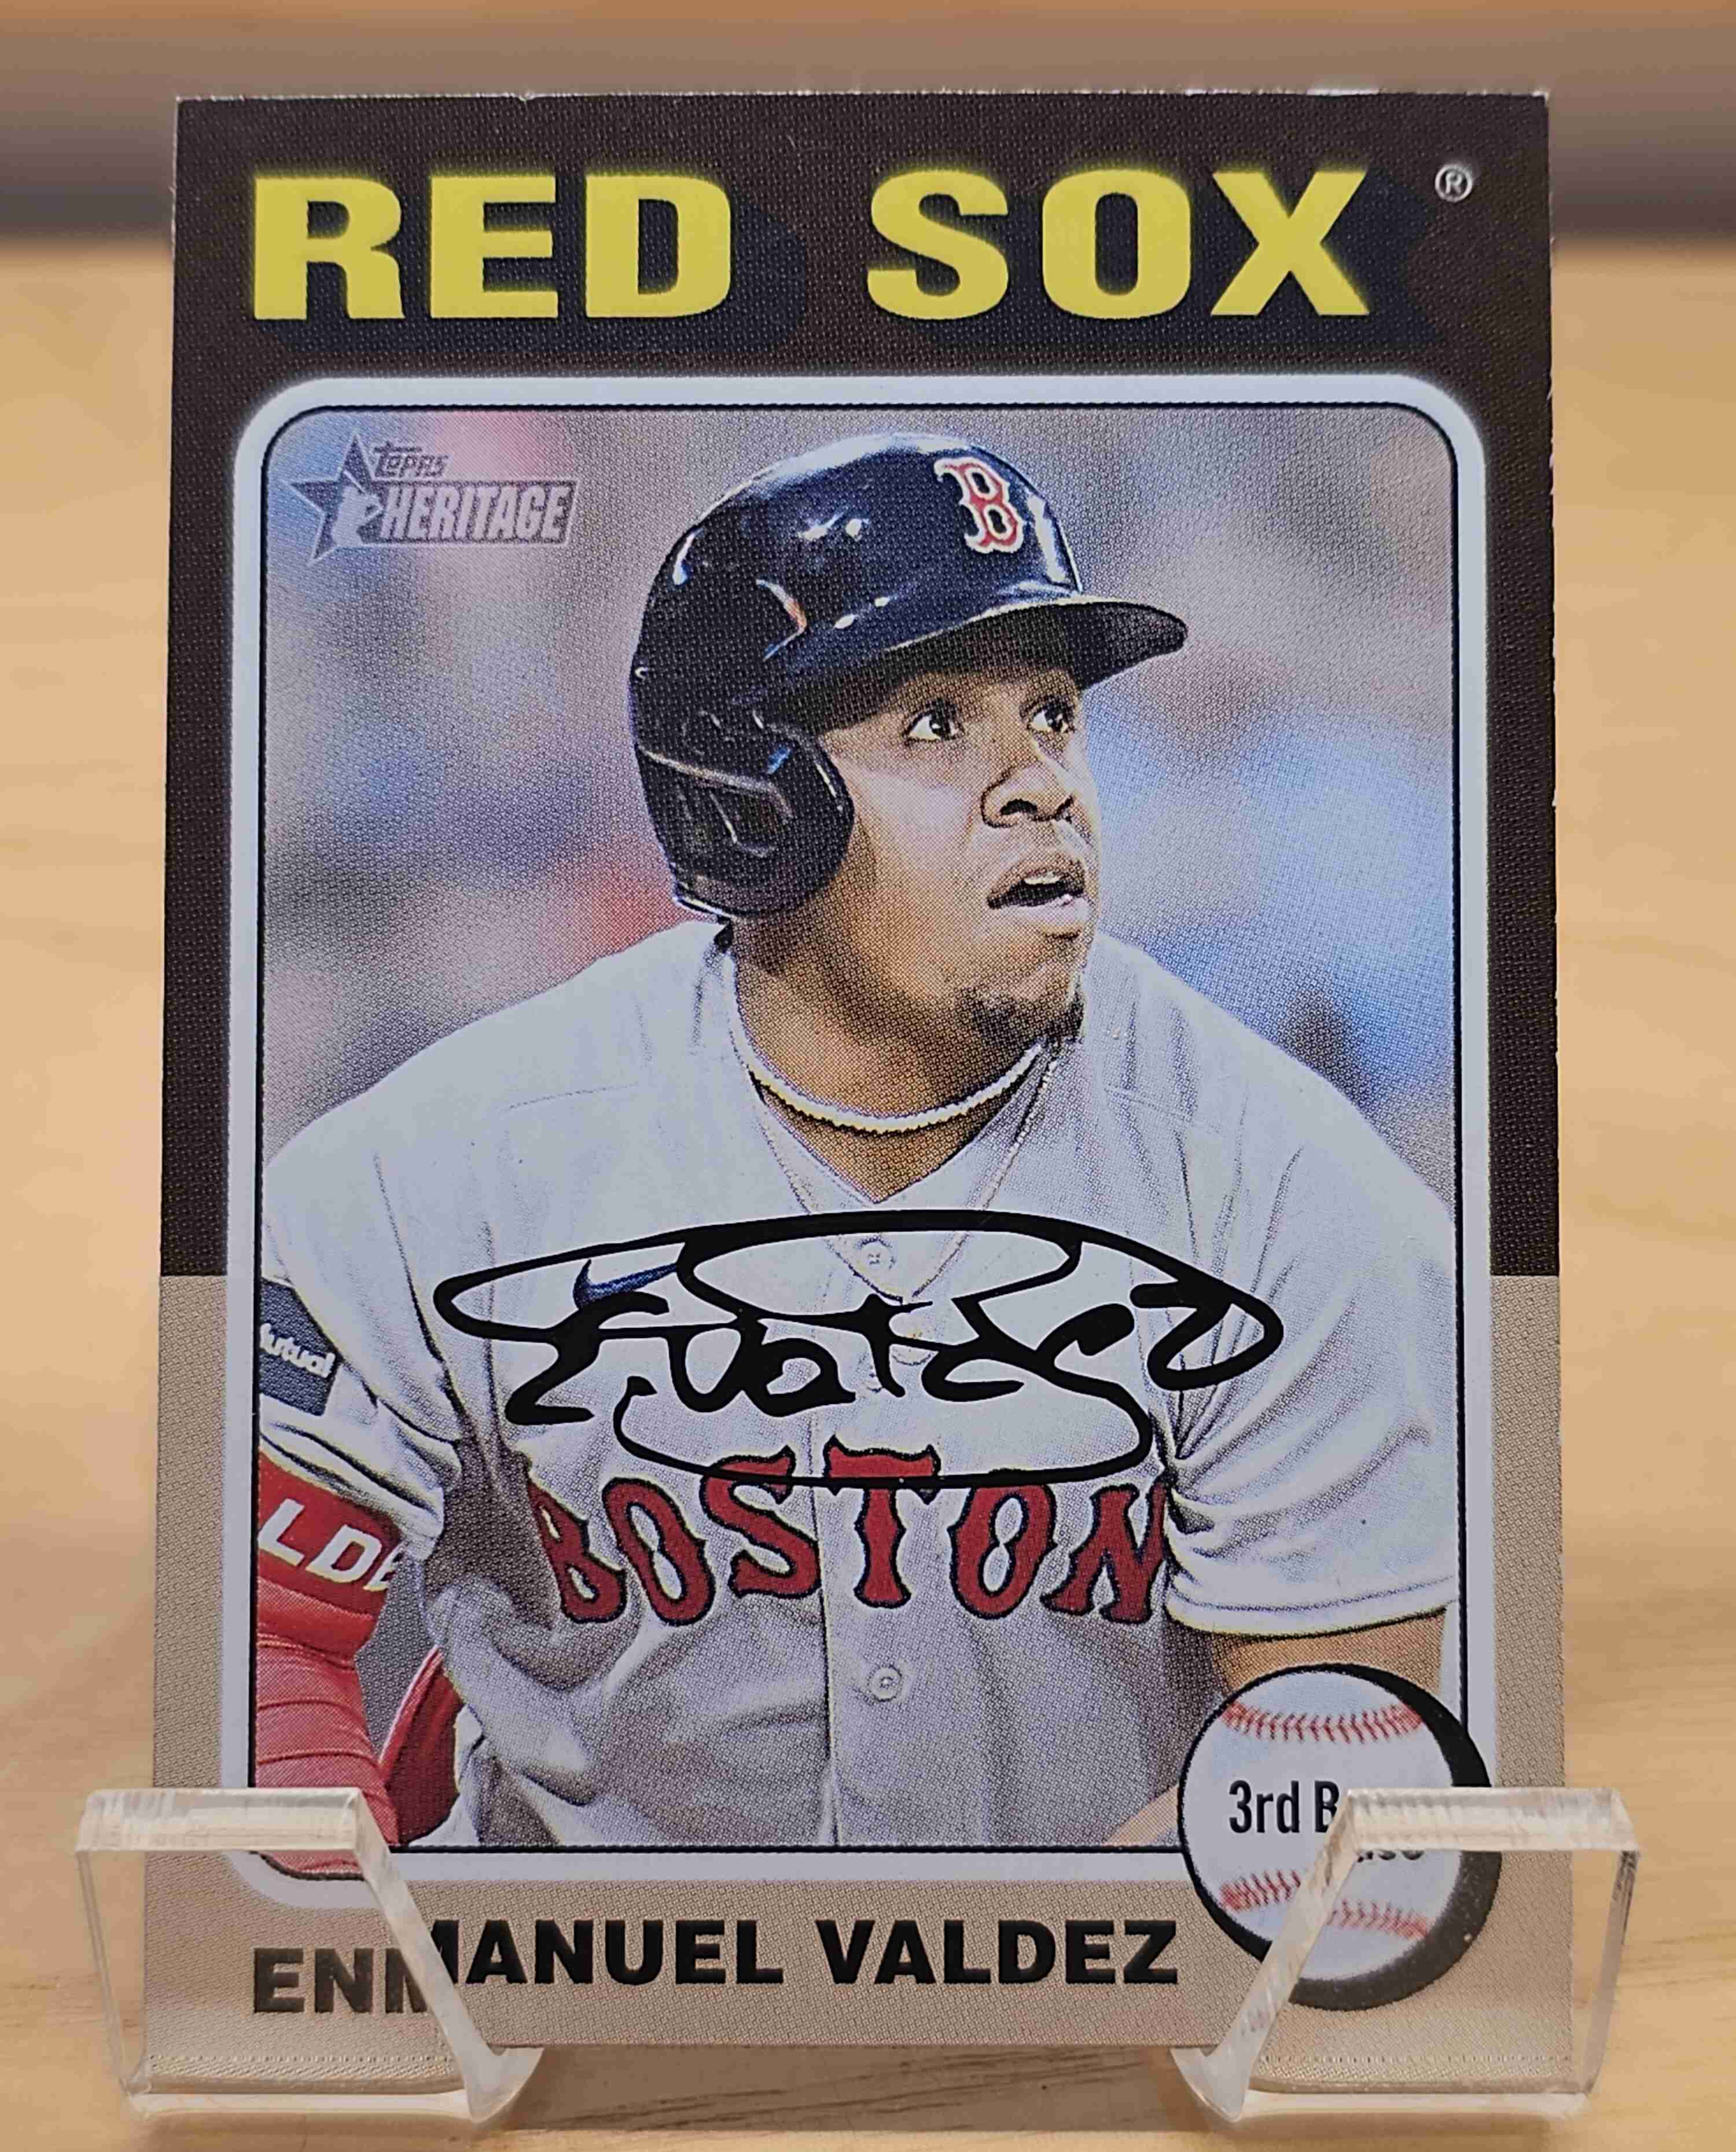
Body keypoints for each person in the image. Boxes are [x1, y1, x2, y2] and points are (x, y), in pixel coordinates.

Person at [255, 432, 1456, 1856]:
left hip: (1102, 1979)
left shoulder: (1296, 1195)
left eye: (1054, 713)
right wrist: (348, 1932)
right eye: (937, 724)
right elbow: (256, 1639)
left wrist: (973, 1987)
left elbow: (1319, 1781)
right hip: (565, 1978)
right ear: (744, 796)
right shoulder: (442, 1172)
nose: (1041, 781)